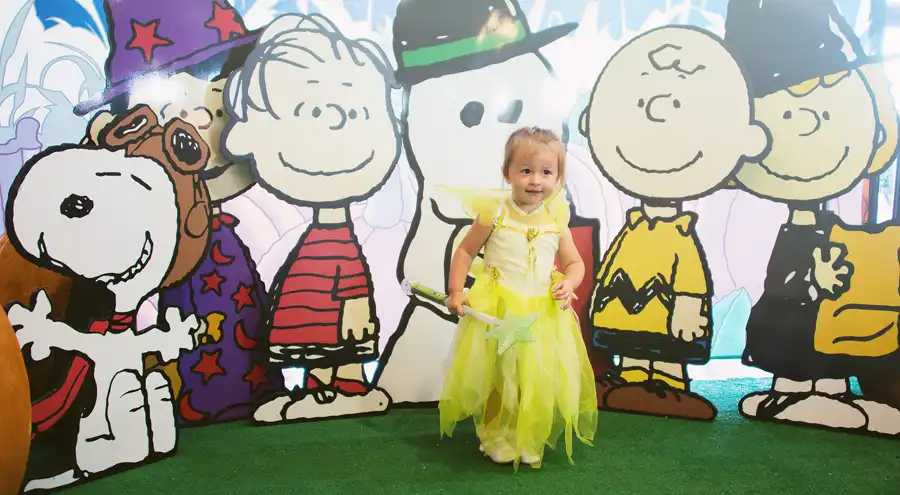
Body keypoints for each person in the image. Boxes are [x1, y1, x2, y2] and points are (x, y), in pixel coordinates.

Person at [438, 127, 598, 468]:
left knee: (535, 377)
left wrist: (569, 283)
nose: (535, 180)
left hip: (542, 314)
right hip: (499, 310)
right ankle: (496, 435)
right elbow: (465, 251)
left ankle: (527, 434)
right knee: (499, 376)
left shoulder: (556, 219)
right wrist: (456, 290)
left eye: (546, 172)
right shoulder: (495, 213)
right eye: (525, 171)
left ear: (558, 176)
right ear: (507, 172)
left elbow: (574, 263)